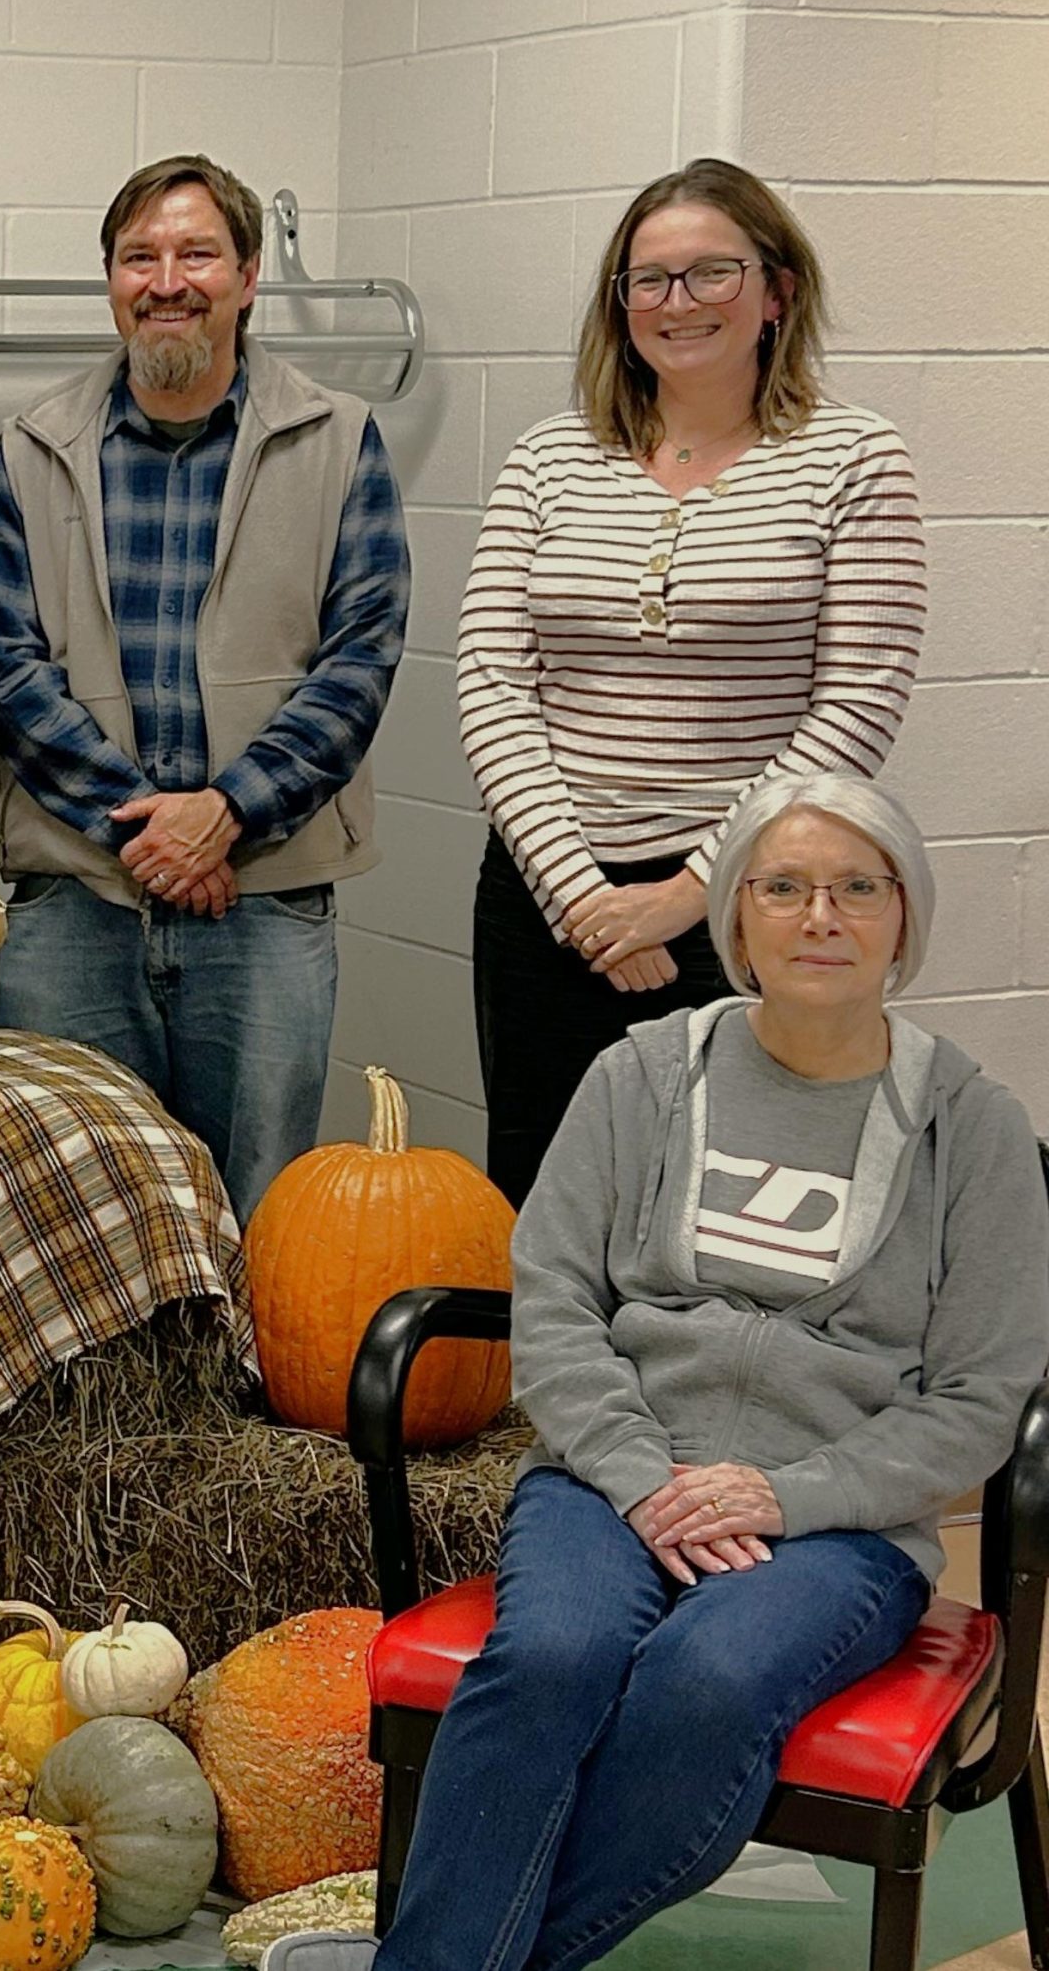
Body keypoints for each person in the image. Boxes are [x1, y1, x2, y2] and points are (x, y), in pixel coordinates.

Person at [264, 775, 1049, 1971]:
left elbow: (982, 1399)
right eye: (781, 887)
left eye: (856, 888)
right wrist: (639, 1475)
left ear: (905, 917)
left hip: (838, 1522)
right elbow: (558, 1306)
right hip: (607, 1472)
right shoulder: (640, 1075)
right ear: (735, 919)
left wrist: (784, 1495)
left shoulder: (970, 1129)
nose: (819, 916)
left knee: (706, 1676)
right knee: (552, 1656)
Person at [460, 157, 924, 1210]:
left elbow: (856, 702)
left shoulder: (853, 458)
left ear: (776, 290)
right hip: (544, 889)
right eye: (649, 280)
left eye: (711, 273)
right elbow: (490, 681)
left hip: (748, 903)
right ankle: (552, 1386)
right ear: (619, 306)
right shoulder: (547, 459)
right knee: (547, 1192)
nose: (679, 304)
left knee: (723, 1197)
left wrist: (689, 896)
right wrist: (581, 896)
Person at [0, 154, 409, 1223]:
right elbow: (1, 658)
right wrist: (148, 834)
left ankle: (234, 1401)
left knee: (253, 1215)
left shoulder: (339, 440)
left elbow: (360, 656)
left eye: (196, 252)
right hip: (76, 899)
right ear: (111, 280)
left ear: (248, 275)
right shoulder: (36, 444)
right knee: (64, 1221)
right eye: (139, 256)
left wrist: (223, 815)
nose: (167, 279)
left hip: (262, 899)